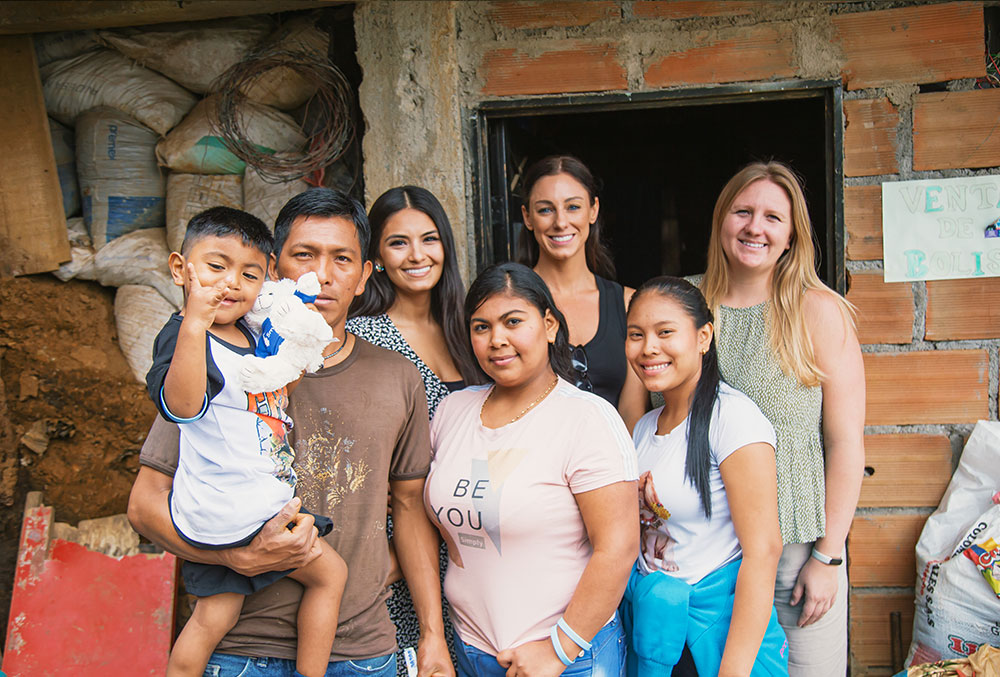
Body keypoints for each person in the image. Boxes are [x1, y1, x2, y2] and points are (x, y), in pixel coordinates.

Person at [128, 189, 454, 677]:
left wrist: (433, 636)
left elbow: (410, 510)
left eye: (341, 259)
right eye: (304, 255)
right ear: (275, 271)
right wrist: (236, 556)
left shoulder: (398, 376)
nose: (320, 275)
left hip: (365, 652)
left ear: (364, 275)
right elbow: (145, 505)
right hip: (242, 652)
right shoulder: (220, 364)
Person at [145, 206, 347, 677]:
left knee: (218, 614)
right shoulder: (184, 336)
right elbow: (182, 407)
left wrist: (291, 339)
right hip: (229, 510)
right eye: (217, 267)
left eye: (250, 274)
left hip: (253, 502)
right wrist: (194, 323)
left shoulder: (248, 334)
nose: (231, 283)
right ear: (181, 269)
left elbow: (272, 395)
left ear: (267, 278)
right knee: (328, 576)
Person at [425, 262, 639, 677]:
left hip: (565, 658)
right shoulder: (453, 410)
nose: (496, 340)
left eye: (512, 322)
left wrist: (558, 650)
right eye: (481, 326)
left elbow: (619, 547)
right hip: (469, 650)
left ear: (550, 325)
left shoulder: (588, 418)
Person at [699, 162, 865, 676]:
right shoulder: (683, 303)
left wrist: (828, 557)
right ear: (721, 220)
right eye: (743, 211)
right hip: (701, 556)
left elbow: (845, 443)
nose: (755, 227)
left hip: (794, 555)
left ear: (792, 236)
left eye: (773, 217)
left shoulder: (818, 311)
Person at [620, 276, 787, 677]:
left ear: (703, 337)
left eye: (665, 332)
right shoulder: (644, 429)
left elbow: (763, 551)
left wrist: (734, 671)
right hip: (659, 633)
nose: (649, 349)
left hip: (717, 638)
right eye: (635, 335)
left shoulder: (733, 418)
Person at [347, 185, 481, 674]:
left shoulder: (469, 329)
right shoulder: (363, 335)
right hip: (398, 546)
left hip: (469, 542)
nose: (418, 255)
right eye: (398, 242)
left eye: (429, 239)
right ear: (377, 257)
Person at [517, 155, 647, 431]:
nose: (561, 222)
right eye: (545, 210)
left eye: (573, 207)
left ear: (593, 210)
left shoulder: (628, 303)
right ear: (527, 217)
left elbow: (631, 413)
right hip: (533, 467)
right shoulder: (509, 302)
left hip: (612, 467)